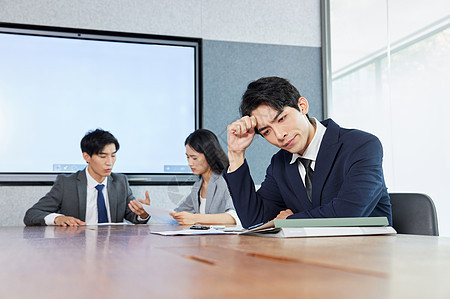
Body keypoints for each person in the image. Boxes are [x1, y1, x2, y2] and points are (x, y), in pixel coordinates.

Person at [223, 76, 392, 229]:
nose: (280, 135)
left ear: (302, 106)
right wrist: (236, 154)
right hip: (311, 256)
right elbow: (255, 220)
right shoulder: (280, 164)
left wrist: (289, 221)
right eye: (267, 131)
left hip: (366, 256)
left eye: (282, 119)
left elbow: (349, 212)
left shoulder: (361, 145)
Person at [24, 129, 150, 226]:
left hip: (113, 249)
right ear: (87, 157)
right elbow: (32, 214)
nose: (109, 162)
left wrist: (143, 214)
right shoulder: (67, 184)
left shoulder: (120, 182)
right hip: (77, 248)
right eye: (103, 156)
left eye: (113, 156)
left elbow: (133, 217)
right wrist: (57, 218)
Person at [142, 129, 239, 225]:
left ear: (209, 155)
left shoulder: (227, 180)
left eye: (194, 158)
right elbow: (177, 214)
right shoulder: (198, 186)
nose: (190, 163)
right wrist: (148, 211)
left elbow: (234, 216)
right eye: (187, 157)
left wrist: (195, 218)